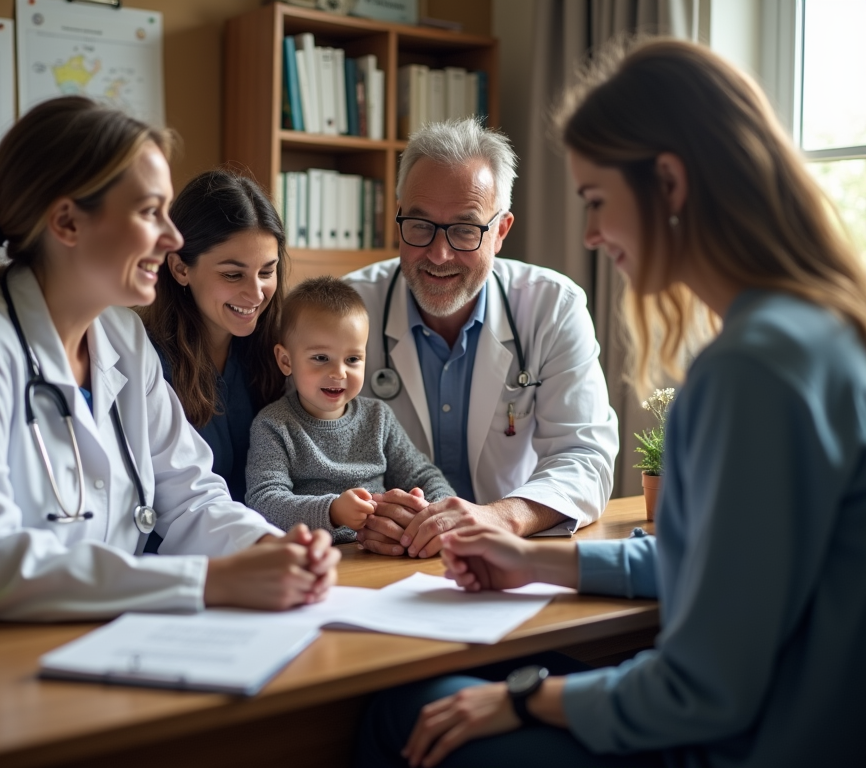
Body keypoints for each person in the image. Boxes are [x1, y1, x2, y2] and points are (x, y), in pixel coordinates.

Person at [356, 38, 866, 768]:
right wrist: (534, 564)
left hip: (735, 745)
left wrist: (523, 699)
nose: (591, 234)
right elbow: (712, 567)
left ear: (669, 183)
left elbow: (703, 690)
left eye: (596, 200)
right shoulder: (821, 332)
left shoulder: (751, 370)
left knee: (409, 713)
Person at [0, 97, 339, 621]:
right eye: (151, 212)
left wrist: (271, 549)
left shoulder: (122, 336)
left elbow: (192, 496)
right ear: (67, 222)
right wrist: (207, 580)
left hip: (87, 635)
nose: (172, 238)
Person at [345, 119, 619, 558]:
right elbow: (306, 445)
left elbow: (584, 457)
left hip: (511, 556)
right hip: (388, 559)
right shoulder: (348, 308)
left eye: (465, 229)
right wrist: (371, 512)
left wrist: (498, 517)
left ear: (502, 230)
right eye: (419, 224)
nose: (439, 254)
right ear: (396, 215)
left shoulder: (553, 306)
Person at [246, 277, 455, 543]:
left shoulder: (378, 418)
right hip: (316, 556)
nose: (339, 372)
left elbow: (424, 475)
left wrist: (435, 512)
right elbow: (263, 502)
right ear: (286, 361)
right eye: (321, 358)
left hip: (383, 552)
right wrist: (333, 511)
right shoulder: (273, 425)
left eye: (353, 359)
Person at [140, 168, 286, 504]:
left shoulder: (277, 352)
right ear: (179, 268)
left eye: (266, 271)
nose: (256, 294)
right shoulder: (147, 362)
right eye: (233, 275)